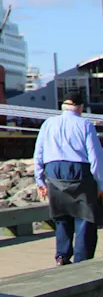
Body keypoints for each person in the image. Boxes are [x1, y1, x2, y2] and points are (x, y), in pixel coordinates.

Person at [33, 92, 104, 265]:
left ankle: (62, 256)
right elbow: (95, 157)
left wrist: (40, 181)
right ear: (80, 107)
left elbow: (38, 154)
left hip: (54, 172)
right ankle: (82, 260)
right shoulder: (85, 124)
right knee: (85, 216)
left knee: (62, 215)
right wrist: (100, 183)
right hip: (79, 171)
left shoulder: (48, 124)